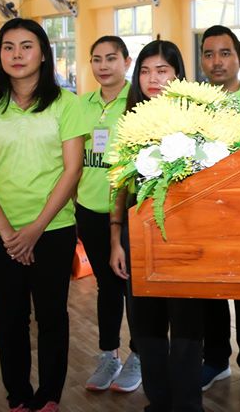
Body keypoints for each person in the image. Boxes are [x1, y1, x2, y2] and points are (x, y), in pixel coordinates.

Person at [0, 18, 89, 412]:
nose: (17, 55)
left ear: (44, 54)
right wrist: (8, 232)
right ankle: (17, 395)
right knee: (9, 319)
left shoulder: (66, 103)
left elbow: (72, 170)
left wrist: (35, 229)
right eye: (8, 47)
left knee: (52, 317)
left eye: (26, 46)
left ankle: (49, 395)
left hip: (53, 229)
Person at [109, 39, 205, 412]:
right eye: (145, 71)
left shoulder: (199, 121)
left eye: (162, 70)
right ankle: (159, 402)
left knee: (186, 327)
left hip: (185, 235)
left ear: (178, 74)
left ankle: (187, 404)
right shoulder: (130, 120)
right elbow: (119, 186)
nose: (153, 78)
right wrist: (116, 239)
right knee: (146, 326)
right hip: (139, 234)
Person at [76, 36, 141, 393]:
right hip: (89, 209)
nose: (103, 66)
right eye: (97, 59)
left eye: (111, 58)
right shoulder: (81, 105)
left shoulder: (138, 102)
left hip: (128, 212)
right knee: (107, 286)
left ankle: (139, 354)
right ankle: (109, 355)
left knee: (133, 287)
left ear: (126, 62)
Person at [197, 25, 240, 394]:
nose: (217, 61)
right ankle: (215, 361)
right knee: (209, 294)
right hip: (205, 216)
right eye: (209, 54)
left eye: (225, 53)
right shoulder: (192, 106)